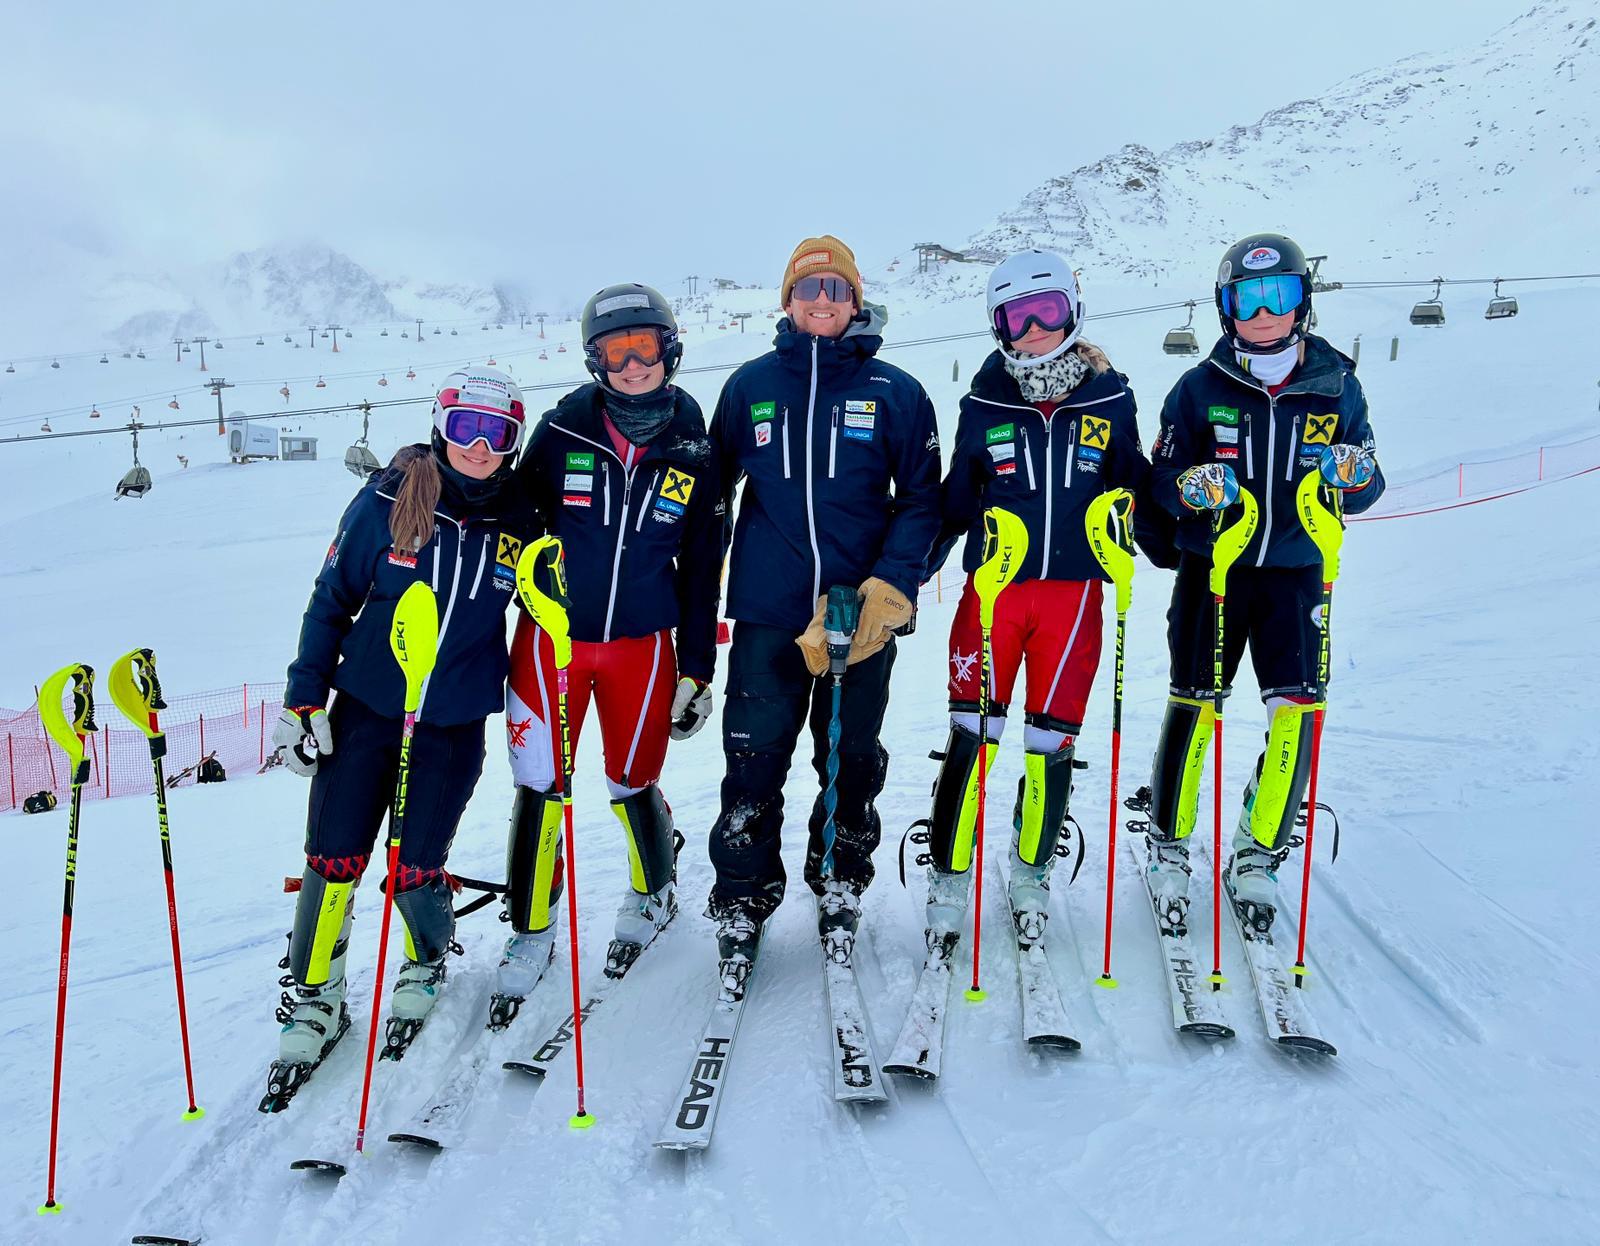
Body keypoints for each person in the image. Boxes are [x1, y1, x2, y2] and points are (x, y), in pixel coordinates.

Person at [267, 367, 529, 1099]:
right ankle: (317, 998)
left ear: (513, 441)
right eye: (466, 428)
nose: (479, 446)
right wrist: (303, 700)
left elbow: (554, 589)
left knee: (417, 863)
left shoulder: (518, 518)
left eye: (497, 433)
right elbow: (330, 602)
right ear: (442, 424)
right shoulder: (387, 499)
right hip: (366, 713)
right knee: (335, 858)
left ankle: (424, 960)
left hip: (450, 723)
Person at [706, 234, 943, 994]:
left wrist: (892, 585)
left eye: (835, 290)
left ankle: (839, 877)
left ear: (855, 300)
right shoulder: (750, 388)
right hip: (769, 617)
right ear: (788, 300)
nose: (821, 302)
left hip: (860, 616)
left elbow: (924, 503)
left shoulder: (896, 393)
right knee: (751, 761)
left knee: (850, 758)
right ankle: (743, 895)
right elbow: (709, 493)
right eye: (808, 290)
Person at [497, 283, 724, 1022]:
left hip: (642, 646)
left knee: (633, 778)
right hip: (551, 644)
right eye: (615, 352)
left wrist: (697, 667)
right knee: (542, 784)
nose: (632, 365)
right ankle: (531, 931)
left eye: (645, 348)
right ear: (595, 361)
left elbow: (702, 564)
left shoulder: (694, 442)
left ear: (670, 349)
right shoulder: (563, 430)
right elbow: (513, 522)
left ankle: (653, 888)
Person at [1145, 232, 1384, 935]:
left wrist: (1356, 475)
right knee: (1196, 706)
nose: (1263, 312)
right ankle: (1168, 842)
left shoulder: (1337, 384)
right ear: (1226, 306)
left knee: (1298, 711)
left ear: (1301, 301)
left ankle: (1259, 850)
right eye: (1247, 298)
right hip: (1213, 572)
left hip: (1298, 573)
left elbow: (1368, 479)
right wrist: (1187, 487)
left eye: (1278, 295)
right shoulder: (1198, 388)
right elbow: (1158, 478)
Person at [921, 249, 1154, 951]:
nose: (1032, 331)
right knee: (976, 734)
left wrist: (1165, 522)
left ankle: (1031, 869)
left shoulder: (1110, 398)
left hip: (1076, 600)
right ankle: (949, 873)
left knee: (1050, 741)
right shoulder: (983, 402)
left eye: (1045, 312)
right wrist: (899, 585)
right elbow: (954, 502)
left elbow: (1136, 483)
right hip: (993, 595)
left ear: (1072, 312)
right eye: (1015, 317)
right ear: (998, 327)